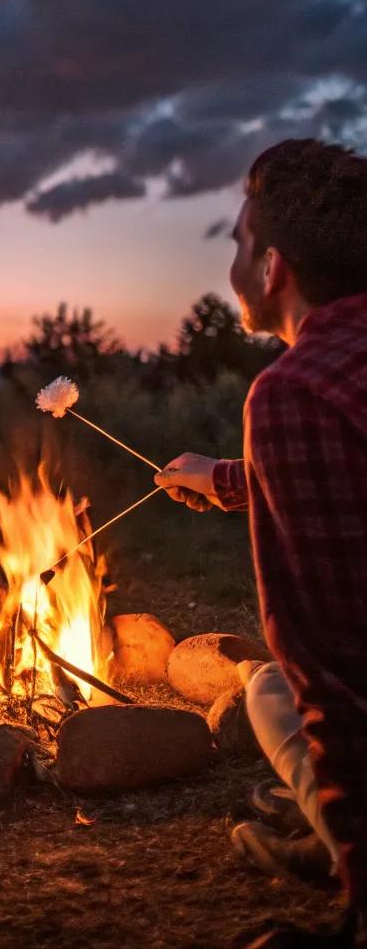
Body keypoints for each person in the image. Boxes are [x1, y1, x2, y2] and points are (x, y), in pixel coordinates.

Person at [155, 139, 367, 949]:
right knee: (269, 685)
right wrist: (225, 478)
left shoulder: (293, 391)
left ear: (273, 268)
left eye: (241, 244)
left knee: (279, 683)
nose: (234, 263)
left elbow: (340, 670)